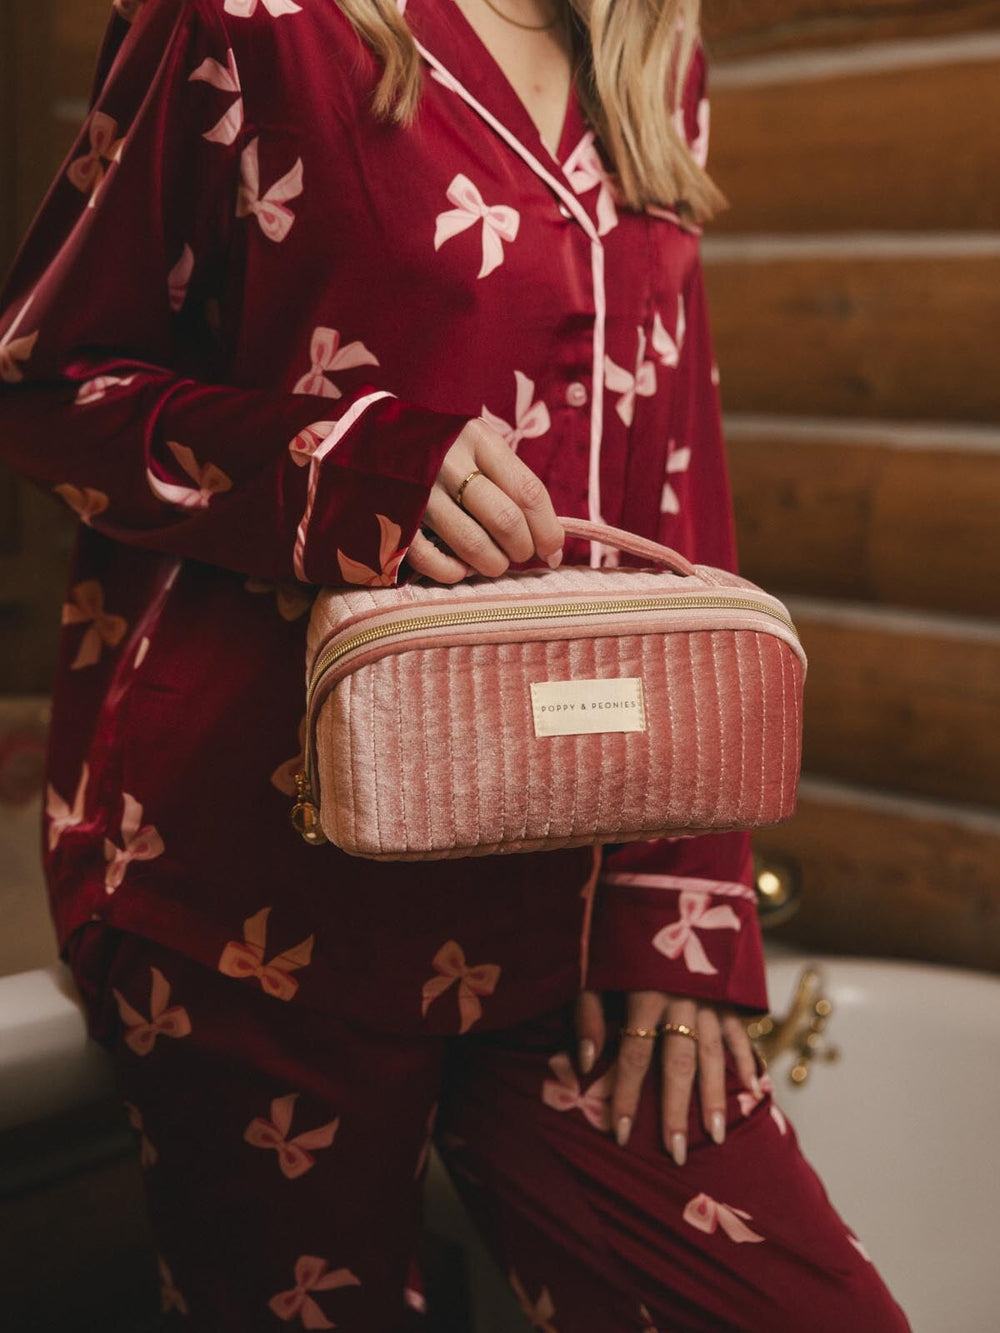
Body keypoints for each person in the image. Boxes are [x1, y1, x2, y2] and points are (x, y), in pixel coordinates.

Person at [0, 0, 912, 1328]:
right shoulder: (248, 23)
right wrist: (334, 466)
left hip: (577, 889)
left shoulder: (655, 56)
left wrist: (687, 893)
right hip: (262, 890)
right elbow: (43, 385)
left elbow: (674, 480)